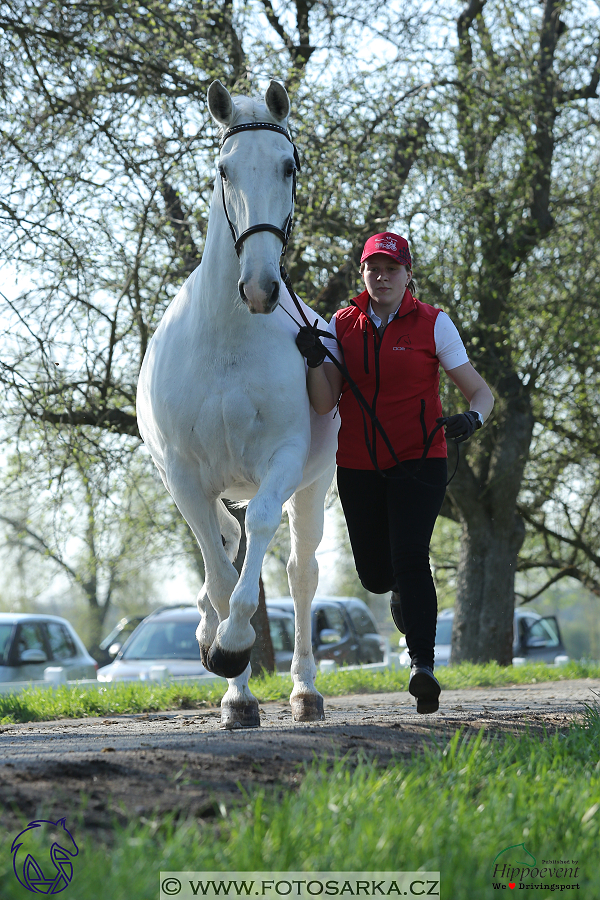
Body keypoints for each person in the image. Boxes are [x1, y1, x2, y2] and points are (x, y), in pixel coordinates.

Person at [295, 232, 494, 714]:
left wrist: (472, 419)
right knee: (375, 574)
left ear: (408, 275)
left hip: (421, 457)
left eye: (391, 269)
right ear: (363, 274)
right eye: (373, 268)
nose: (382, 277)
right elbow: (324, 402)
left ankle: (422, 666)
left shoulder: (433, 324)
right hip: (359, 463)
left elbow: (480, 393)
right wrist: (314, 358)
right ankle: (400, 593)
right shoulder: (343, 324)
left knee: (410, 556)